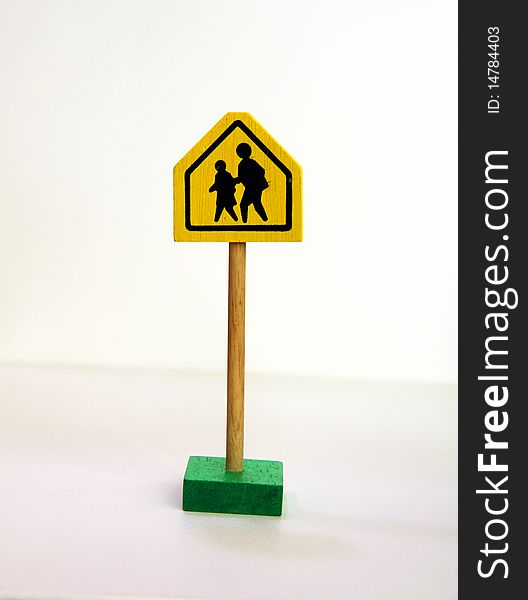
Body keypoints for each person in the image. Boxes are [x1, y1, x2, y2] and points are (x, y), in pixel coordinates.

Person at [233, 143, 269, 223]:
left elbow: (262, 171)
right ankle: (264, 220)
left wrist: (252, 178)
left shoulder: (251, 162)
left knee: (245, 205)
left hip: (254, 187)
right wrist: (234, 181)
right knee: (256, 204)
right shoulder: (241, 164)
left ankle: (245, 223)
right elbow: (241, 178)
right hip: (251, 187)